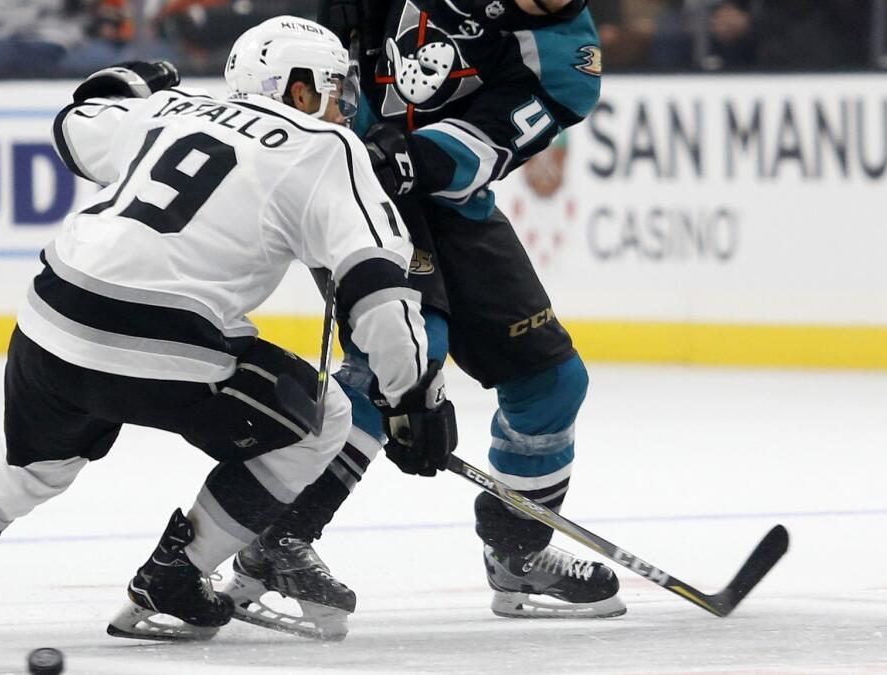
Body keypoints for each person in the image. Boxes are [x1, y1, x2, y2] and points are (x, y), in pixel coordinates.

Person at [0, 15, 457, 646]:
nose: (341, 107)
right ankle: (176, 576)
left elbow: (74, 126)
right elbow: (379, 296)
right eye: (331, 89)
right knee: (322, 421)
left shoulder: (170, 109)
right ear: (294, 89)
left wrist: (125, 83)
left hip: (52, 314)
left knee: (26, 465)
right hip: (164, 343)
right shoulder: (327, 148)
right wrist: (411, 397)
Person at [222, 0, 625, 640]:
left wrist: (409, 156)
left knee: (551, 382)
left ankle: (517, 550)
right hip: (354, 192)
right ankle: (275, 540)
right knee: (406, 353)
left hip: (448, 200)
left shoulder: (567, 61)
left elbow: (490, 139)